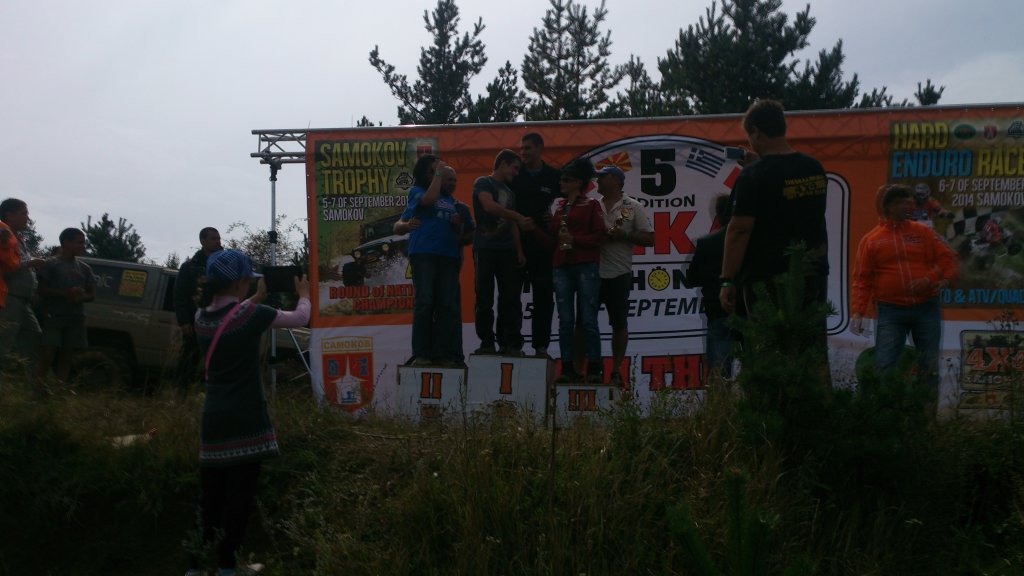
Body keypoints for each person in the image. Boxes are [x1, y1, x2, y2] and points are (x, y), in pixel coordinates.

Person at [185, 249, 310, 576]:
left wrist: (256, 297)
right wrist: (304, 294)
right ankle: (227, 566)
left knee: (210, 497)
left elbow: (231, 315)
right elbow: (300, 318)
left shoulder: (201, 318)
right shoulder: (252, 316)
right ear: (240, 282)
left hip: (213, 419)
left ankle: (195, 565)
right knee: (239, 496)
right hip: (246, 417)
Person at [719, 99, 830, 379]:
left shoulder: (753, 177)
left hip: (767, 278)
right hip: (811, 272)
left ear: (756, 131)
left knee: (768, 350)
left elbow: (739, 229)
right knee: (811, 349)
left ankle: (772, 403)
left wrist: (727, 280)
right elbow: (789, 198)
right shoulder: (813, 167)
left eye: (749, 136)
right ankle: (816, 400)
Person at [850, 184, 958, 400]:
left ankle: (925, 416)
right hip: (890, 311)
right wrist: (858, 311)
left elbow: (947, 258)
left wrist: (931, 278)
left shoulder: (923, 232)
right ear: (889, 206)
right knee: (884, 364)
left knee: (929, 365)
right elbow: (862, 278)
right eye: (902, 203)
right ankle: (885, 414)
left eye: (910, 203)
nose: (909, 207)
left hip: (926, 307)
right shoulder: (871, 240)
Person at [399, 155, 474, 367]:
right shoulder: (417, 192)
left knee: (446, 305)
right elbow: (428, 201)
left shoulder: (453, 203)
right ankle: (422, 353)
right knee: (425, 302)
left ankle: (441, 354)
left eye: (438, 172)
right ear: (425, 173)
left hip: (448, 256)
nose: (437, 176)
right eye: (433, 171)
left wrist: (457, 226)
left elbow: (468, 233)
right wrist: (439, 175)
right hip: (424, 254)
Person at [588, 165, 653, 386]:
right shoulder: (591, 205)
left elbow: (650, 239)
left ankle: (616, 370)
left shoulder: (633, 206)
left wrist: (624, 235)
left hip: (619, 273)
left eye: (602, 177)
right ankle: (589, 368)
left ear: (616, 180)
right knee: (585, 322)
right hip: (591, 272)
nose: (597, 181)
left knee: (619, 323)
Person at [544, 158, 606, 383]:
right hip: (561, 265)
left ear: (578, 183)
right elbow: (554, 236)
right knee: (565, 320)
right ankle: (567, 367)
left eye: (566, 180)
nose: (561, 183)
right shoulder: (560, 207)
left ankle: (595, 367)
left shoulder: (591, 205)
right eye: (561, 179)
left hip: (586, 264)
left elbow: (599, 236)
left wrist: (575, 240)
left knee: (588, 319)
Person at [472, 149, 534, 355]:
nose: (516, 173)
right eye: (514, 168)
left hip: (507, 249)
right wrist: (516, 215)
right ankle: (487, 342)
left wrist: (519, 250)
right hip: (485, 247)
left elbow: (512, 224)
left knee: (511, 298)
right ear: (503, 164)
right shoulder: (483, 182)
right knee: (484, 297)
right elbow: (488, 206)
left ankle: (510, 343)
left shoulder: (510, 193)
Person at [512, 132, 563, 358]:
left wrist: (556, 218)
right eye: (522, 148)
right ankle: (512, 345)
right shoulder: (515, 173)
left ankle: (541, 347)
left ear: (540, 148)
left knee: (543, 296)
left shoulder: (553, 175)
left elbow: (571, 199)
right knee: (511, 296)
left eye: (528, 148)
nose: (523, 152)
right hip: (516, 243)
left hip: (542, 244)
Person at [684, 194, 736, 378]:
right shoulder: (751, 241)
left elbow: (691, 279)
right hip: (748, 310)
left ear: (718, 214)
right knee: (757, 370)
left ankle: (721, 396)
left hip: (718, 311)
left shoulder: (707, 243)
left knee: (719, 372)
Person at [36, 227, 95, 384]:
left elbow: (92, 295)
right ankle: (39, 386)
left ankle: (59, 387)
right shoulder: (51, 264)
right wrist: (65, 294)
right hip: (53, 315)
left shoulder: (85, 268)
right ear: (66, 242)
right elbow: (41, 289)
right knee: (47, 353)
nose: (83, 246)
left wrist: (80, 297)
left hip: (75, 317)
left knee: (67, 355)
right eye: (79, 242)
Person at [174, 227, 223, 394]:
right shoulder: (190, 267)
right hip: (194, 321)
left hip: (219, 321)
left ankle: (212, 394)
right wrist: (184, 321)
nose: (218, 242)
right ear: (203, 241)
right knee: (189, 359)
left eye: (218, 238)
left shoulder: (224, 265)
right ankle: (182, 394)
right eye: (213, 238)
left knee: (217, 361)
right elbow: (180, 296)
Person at [1, 199, 46, 365]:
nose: (28, 217)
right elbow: (6, 267)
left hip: (22, 300)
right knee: (3, 343)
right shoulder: (3, 237)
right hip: (9, 298)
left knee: (34, 338)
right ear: (9, 215)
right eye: (24, 213)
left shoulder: (18, 239)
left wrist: (32, 290)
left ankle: (28, 378)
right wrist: (31, 263)